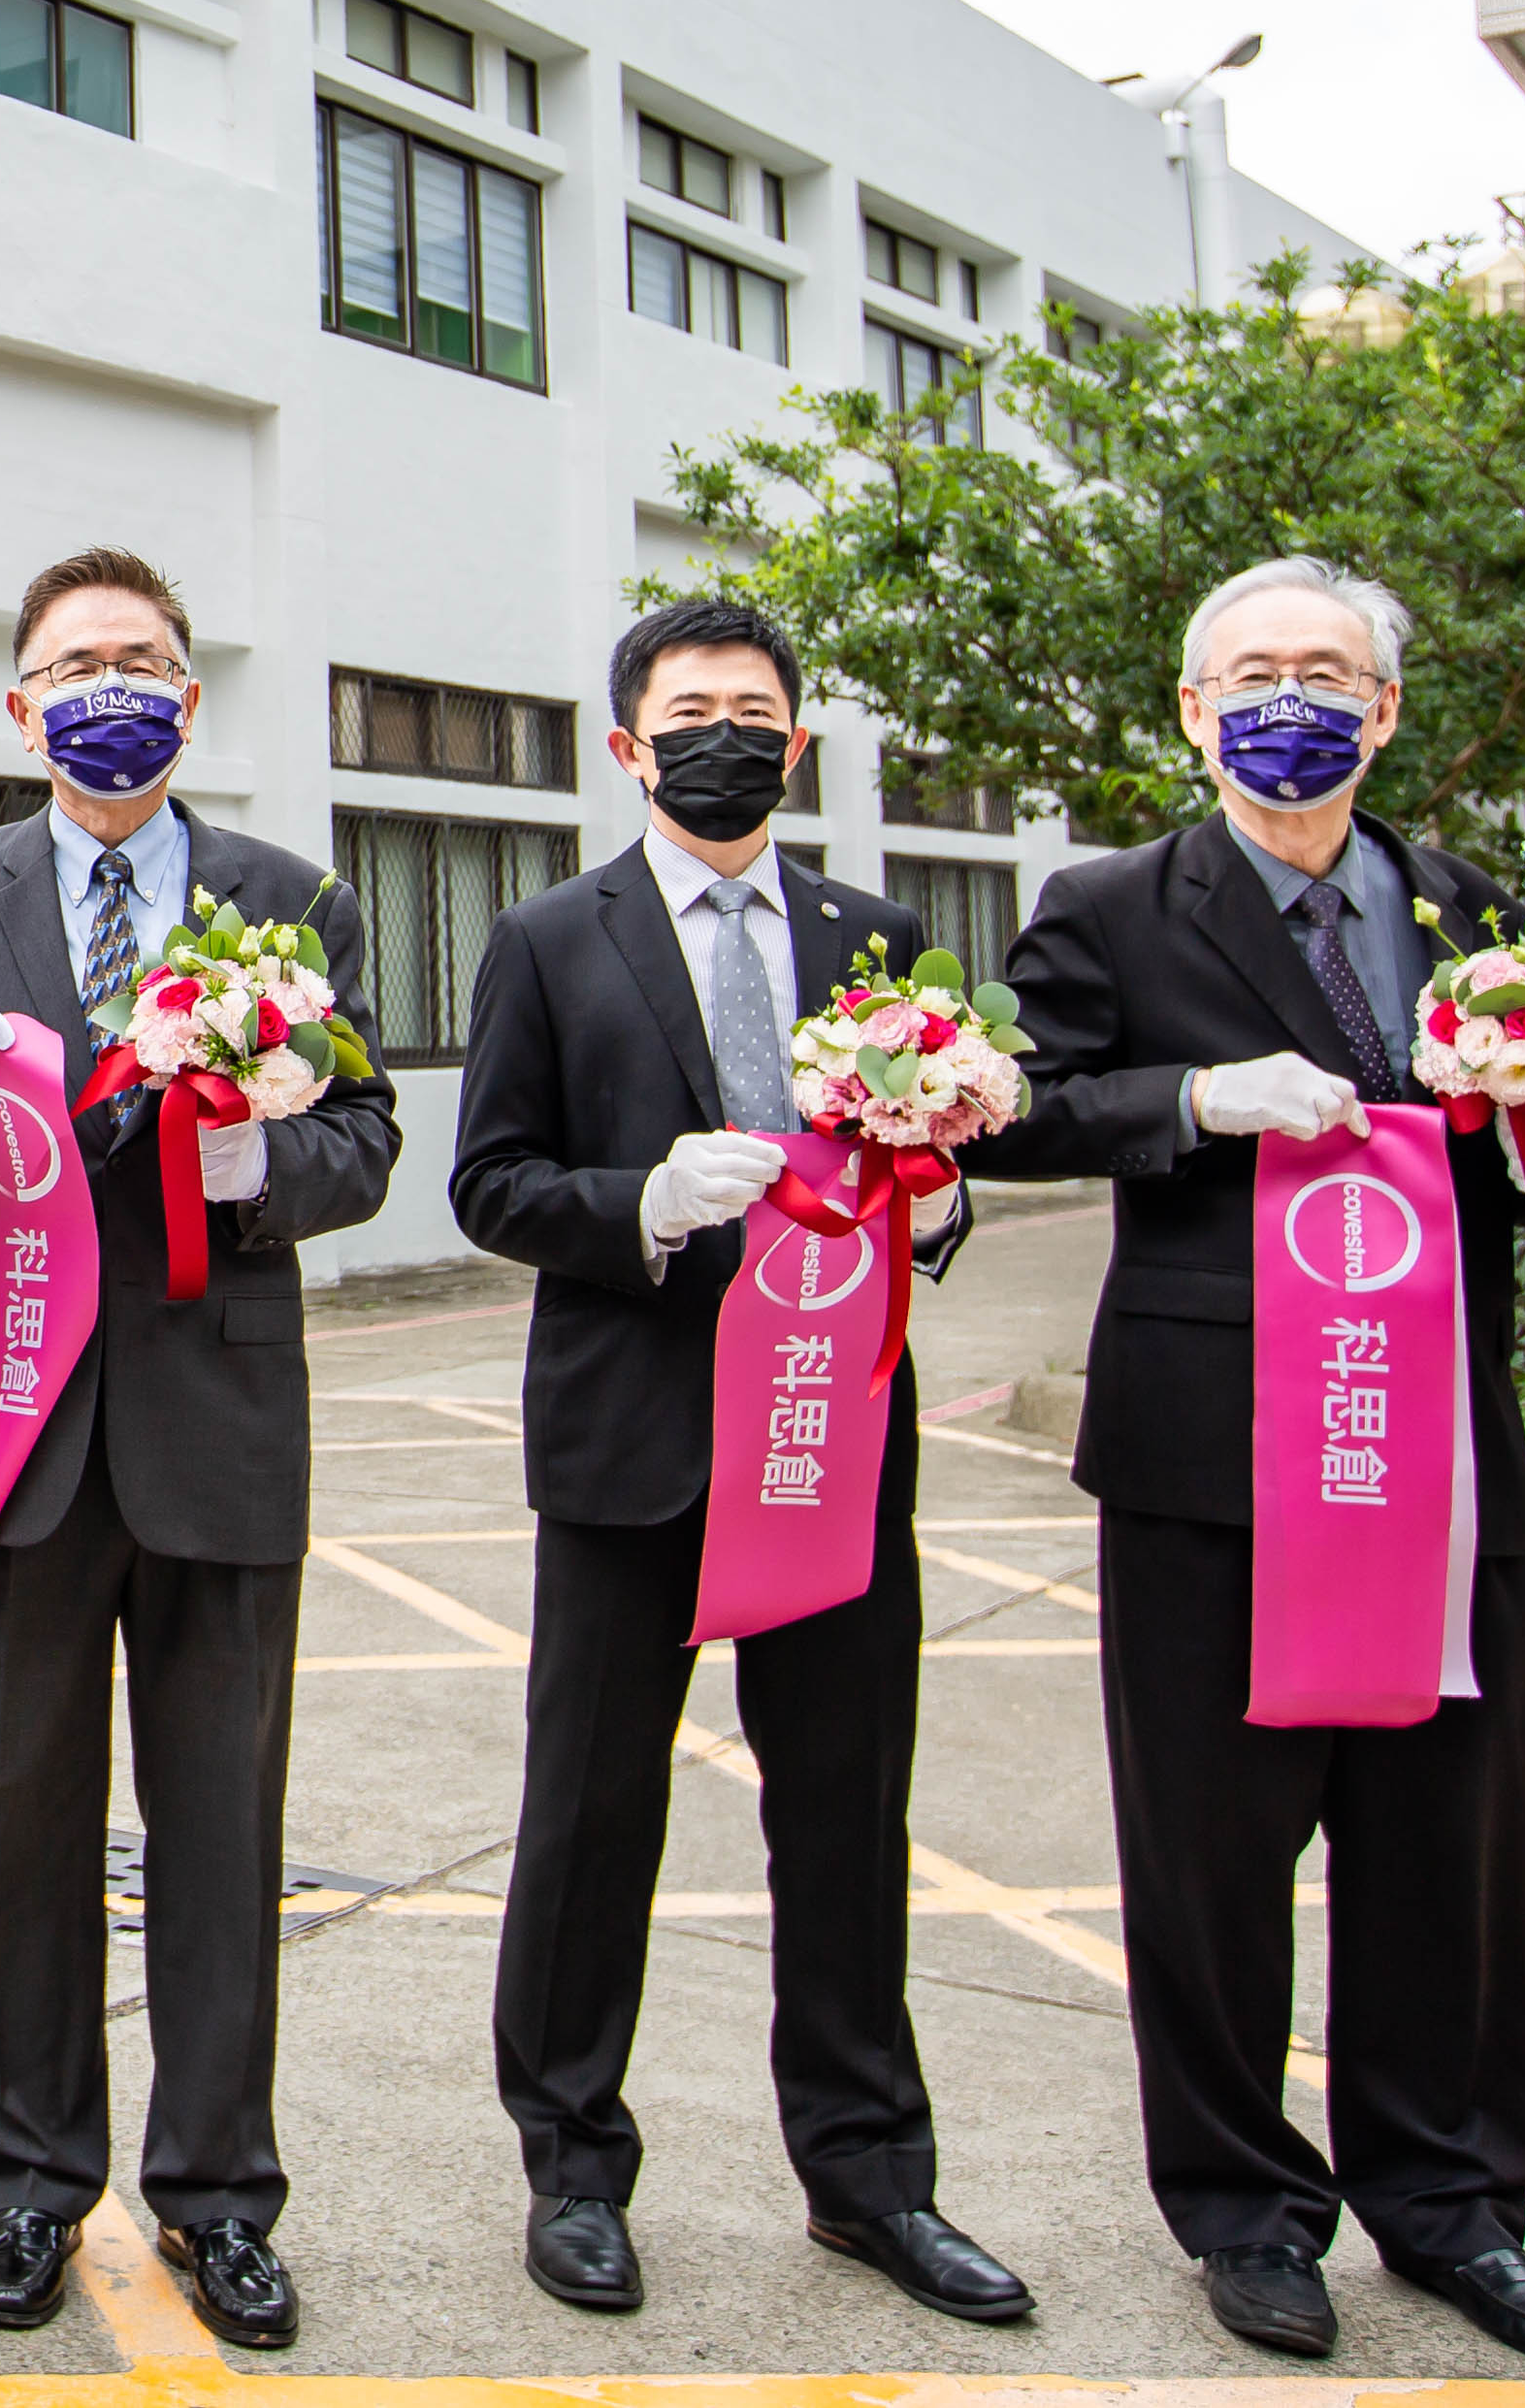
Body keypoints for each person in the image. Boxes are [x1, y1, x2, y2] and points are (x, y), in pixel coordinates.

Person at [973, 557, 1525, 2372]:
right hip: (1212, 1459)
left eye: (1327, 675)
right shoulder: (1107, 905)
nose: (1291, 702)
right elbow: (1016, 1108)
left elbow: (1509, 1156)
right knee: (1210, 1853)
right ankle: (1247, 2208)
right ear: (1191, 709)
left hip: (1433, 1448)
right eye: (1252, 673)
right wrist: (1194, 1102)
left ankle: (1454, 2203)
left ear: (1385, 710)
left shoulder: (1473, 907)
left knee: (1449, 1845)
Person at [0, 544, 399, 2352]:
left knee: (223, 1832)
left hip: (220, 1422)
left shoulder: (284, 896)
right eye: (75, 666)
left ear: (190, 693)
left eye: (141, 660)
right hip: (6, 1431)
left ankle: (221, 2196)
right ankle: (25, 2187)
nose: (109, 689)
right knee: (11, 1833)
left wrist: (261, 1167)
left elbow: (364, 1135)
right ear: (22, 703)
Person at [445, 598, 1026, 2327]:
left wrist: (940, 1204)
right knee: (593, 1813)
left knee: (845, 1816)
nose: (724, 734)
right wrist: (642, 1199)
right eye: (687, 709)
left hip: (831, 1437)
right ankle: (572, 2164)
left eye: (753, 710)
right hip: (633, 1447)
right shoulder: (554, 934)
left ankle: (869, 2179)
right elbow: (490, 1184)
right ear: (628, 744)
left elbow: (923, 1151)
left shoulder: (875, 931)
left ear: (797, 743)